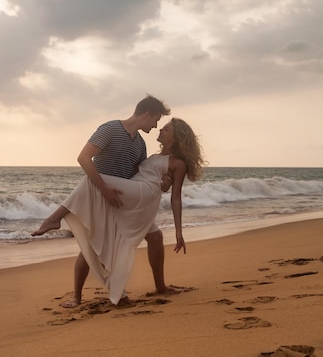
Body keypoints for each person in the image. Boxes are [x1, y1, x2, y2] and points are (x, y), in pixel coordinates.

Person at [34, 118, 204, 306]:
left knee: (91, 181)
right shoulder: (151, 155)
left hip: (141, 195)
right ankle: (77, 296)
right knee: (147, 237)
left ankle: (55, 218)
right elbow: (139, 174)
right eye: (160, 124)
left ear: (177, 136)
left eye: (166, 128)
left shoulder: (177, 162)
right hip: (133, 196)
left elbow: (175, 197)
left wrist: (179, 231)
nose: (160, 128)